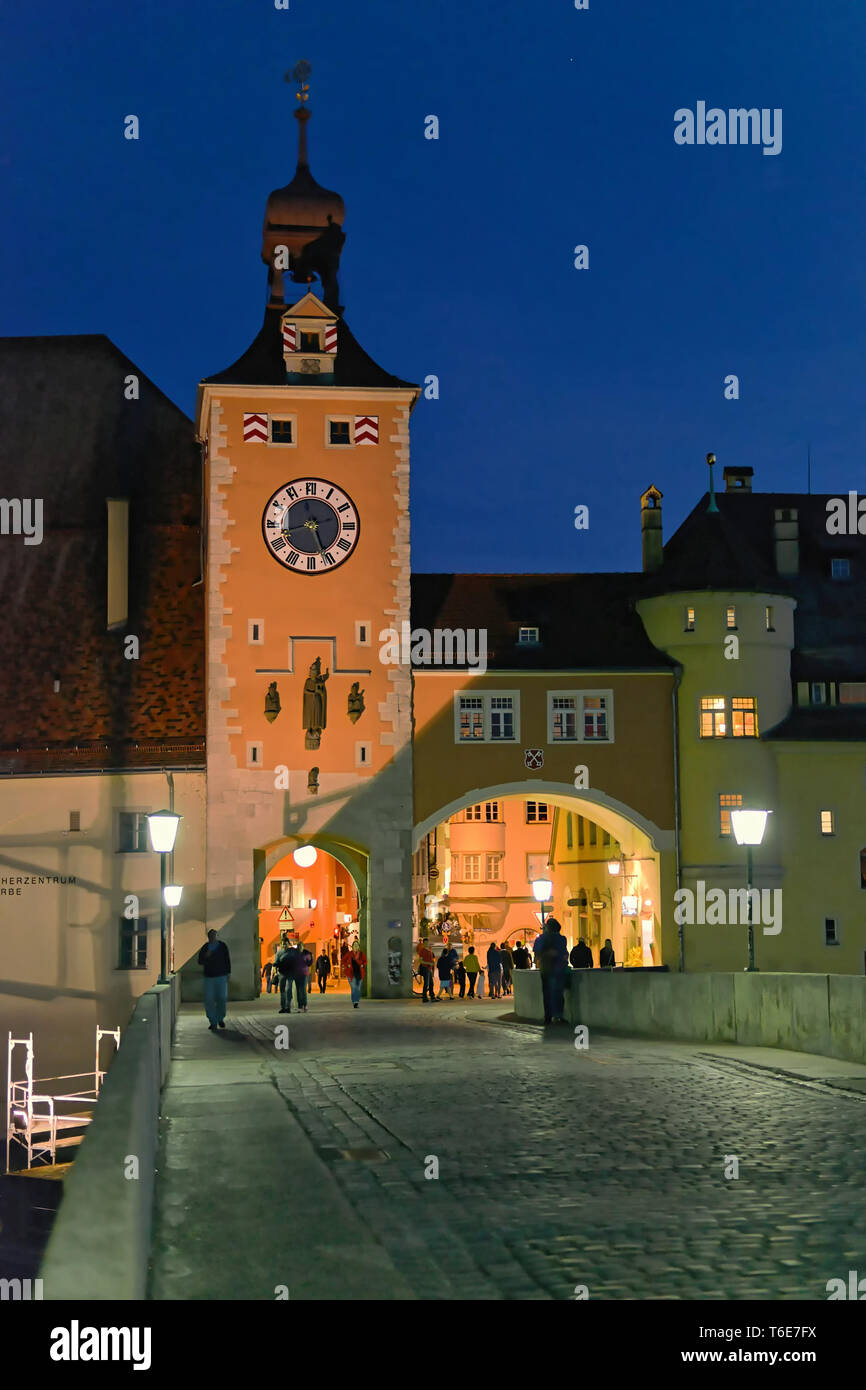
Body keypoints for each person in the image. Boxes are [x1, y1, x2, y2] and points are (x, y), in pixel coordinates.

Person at [532, 916, 569, 1025]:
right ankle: (559, 1015)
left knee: (547, 993)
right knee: (559, 992)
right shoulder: (562, 939)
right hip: (559, 969)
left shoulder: (540, 939)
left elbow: (537, 954)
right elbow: (565, 954)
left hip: (545, 969)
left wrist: (546, 954)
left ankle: (548, 1017)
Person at [198, 929, 231, 1030]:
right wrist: (206, 957)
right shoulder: (205, 947)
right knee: (209, 999)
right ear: (208, 937)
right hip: (209, 977)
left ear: (216, 936)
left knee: (222, 998)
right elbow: (200, 961)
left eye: (214, 935)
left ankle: (220, 1018)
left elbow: (227, 959)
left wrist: (228, 973)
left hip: (221, 976)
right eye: (210, 935)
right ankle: (213, 1021)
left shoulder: (222, 946)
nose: (212, 937)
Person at [275, 934, 301, 1014]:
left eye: (285, 943)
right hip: (282, 974)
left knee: (288, 990)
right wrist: (275, 968)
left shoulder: (292, 951)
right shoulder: (279, 953)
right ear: (281, 944)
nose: (284, 945)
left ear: (288, 944)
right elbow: (276, 962)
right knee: (282, 991)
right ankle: (283, 1007)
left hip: (290, 974)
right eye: (283, 944)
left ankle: (287, 1007)